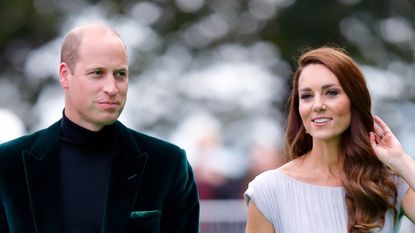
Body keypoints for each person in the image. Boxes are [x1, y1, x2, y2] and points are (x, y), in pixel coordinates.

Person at [0, 24, 199, 233]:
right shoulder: (7, 165)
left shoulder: (167, 164)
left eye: (120, 74)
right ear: (65, 75)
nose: (112, 88)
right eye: (97, 73)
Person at [244, 47, 415, 233]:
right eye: (307, 96)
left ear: (354, 101)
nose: (317, 105)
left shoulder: (390, 183)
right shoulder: (268, 190)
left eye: (331, 93)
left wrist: (400, 160)